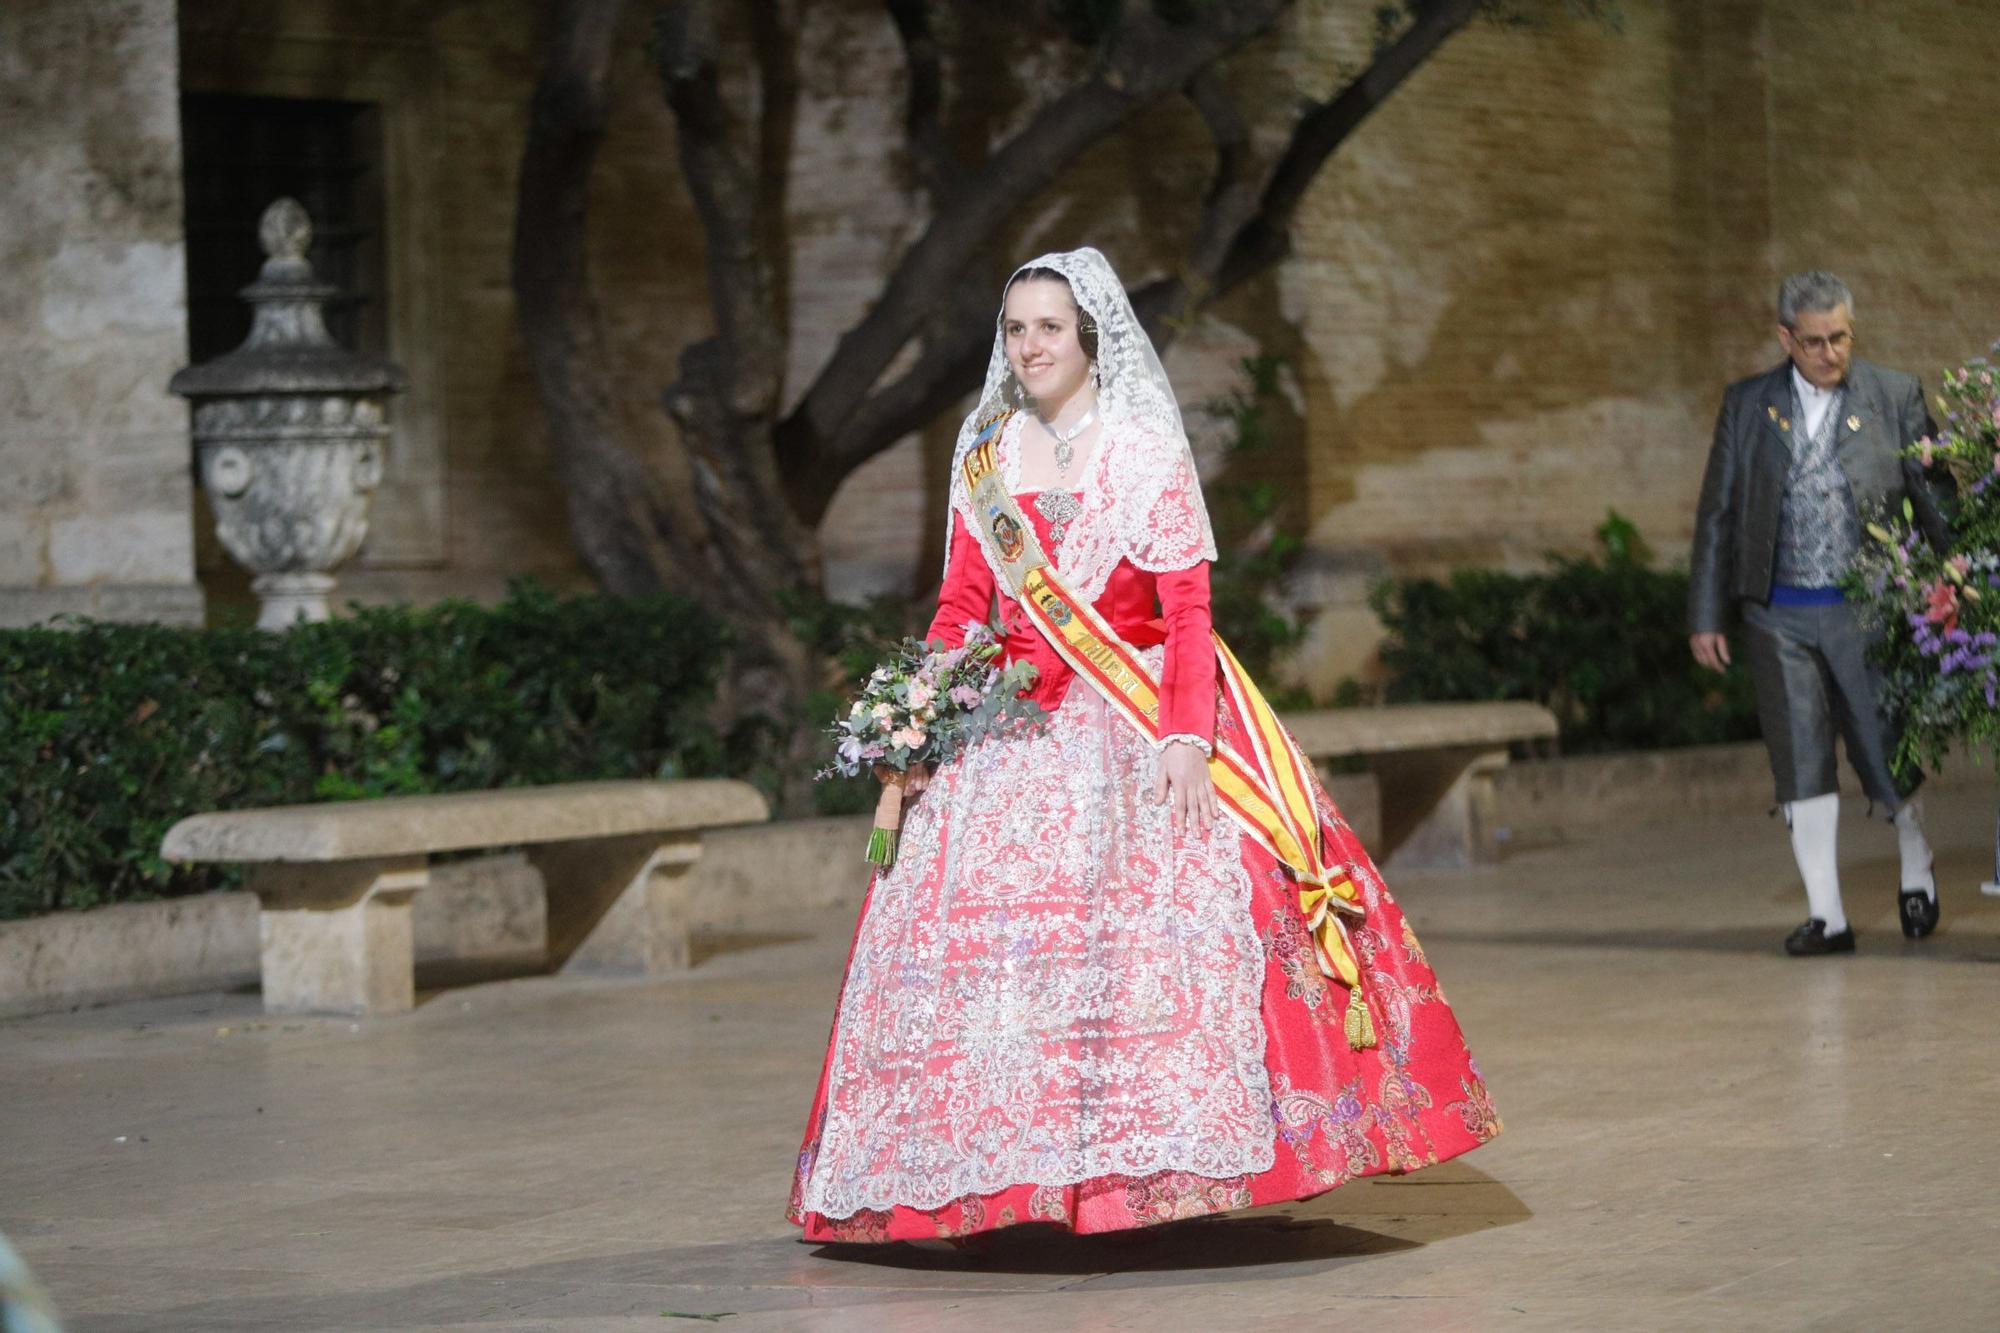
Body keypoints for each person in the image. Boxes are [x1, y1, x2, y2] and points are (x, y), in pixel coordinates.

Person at [787, 247, 1496, 1245]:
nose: (1029, 344)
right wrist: (920, 711)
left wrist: (1181, 736)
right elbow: (960, 606)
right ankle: (993, 1175)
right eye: (1016, 327)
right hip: (1006, 726)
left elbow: (1186, 607)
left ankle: (1142, 1173)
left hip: (1132, 716)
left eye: (1048, 327)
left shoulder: (1141, 444)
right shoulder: (983, 451)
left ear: (1088, 339)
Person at [1688, 270, 1953, 956]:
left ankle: (1914, 862)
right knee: (1799, 759)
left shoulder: (1893, 394)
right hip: (1776, 609)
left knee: (1884, 748)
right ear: (1785, 338)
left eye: (1840, 337)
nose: (1830, 352)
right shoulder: (1748, 405)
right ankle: (1826, 914)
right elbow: (1717, 510)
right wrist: (1705, 613)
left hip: (1867, 605)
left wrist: (1961, 579)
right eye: (1813, 341)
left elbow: (1935, 499)